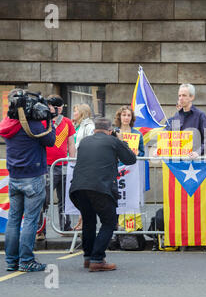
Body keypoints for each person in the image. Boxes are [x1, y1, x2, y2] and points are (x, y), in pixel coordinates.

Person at [69, 118, 137, 271]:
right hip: (100, 187)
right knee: (109, 222)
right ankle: (97, 259)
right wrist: (121, 141)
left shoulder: (85, 141)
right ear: (110, 131)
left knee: (89, 221)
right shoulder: (113, 141)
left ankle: (88, 258)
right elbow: (131, 159)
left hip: (78, 188)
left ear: (94, 130)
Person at [0, 89, 56, 272]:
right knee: (30, 220)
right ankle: (26, 260)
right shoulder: (34, 125)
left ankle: (11, 261)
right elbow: (50, 141)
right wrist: (50, 121)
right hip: (33, 176)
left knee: (14, 220)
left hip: (14, 177)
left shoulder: (8, 124)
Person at [36, 95, 76, 240]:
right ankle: (40, 229)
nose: (51, 109)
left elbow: (71, 143)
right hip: (46, 166)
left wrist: (72, 162)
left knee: (64, 199)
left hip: (63, 165)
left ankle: (65, 227)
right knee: (43, 199)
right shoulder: (42, 121)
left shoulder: (67, 122)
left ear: (59, 108)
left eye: (53, 106)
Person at [166, 83, 206, 158]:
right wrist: (159, 149)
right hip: (178, 162)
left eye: (184, 95)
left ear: (192, 97)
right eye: (179, 95)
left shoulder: (200, 115)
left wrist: (198, 153)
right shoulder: (176, 116)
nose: (181, 98)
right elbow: (169, 137)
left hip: (196, 162)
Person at [71, 103, 95, 231]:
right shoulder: (76, 125)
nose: (73, 113)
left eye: (75, 111)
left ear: (82, 112)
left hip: (84, 163)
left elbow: (90, 144)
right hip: (75, 162)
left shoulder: (89, 126)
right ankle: (82, 220)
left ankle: (84, 221)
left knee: (84, 194)